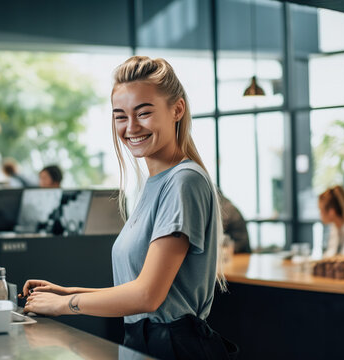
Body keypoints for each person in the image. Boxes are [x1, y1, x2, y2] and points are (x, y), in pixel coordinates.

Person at [20, 56, 237, 359]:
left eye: (143, 112)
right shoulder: (154, 184)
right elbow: (141, 289)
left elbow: (148, 296)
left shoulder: (183, 181)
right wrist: (68, 292)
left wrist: (63, 306)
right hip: (145, 344)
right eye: (120, 116)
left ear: (177, 110)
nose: (131, 127)